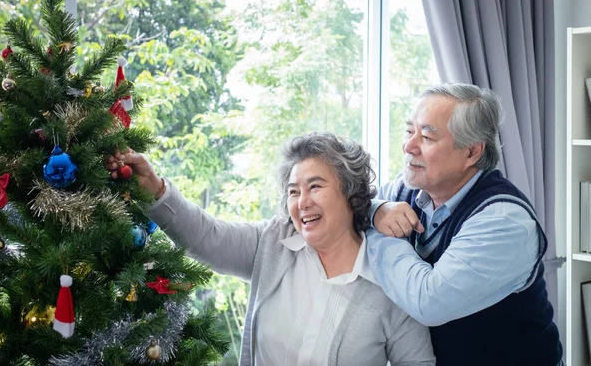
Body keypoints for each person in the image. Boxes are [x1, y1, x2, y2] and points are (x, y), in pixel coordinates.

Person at [106, 132, 435, 366]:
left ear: (350, 193)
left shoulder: (394, 276)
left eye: (315, 187)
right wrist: (154, 187)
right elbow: (206, 237)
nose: (302, 202)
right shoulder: (274, 241)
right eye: (293, 192)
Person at [366, 83, 563, 366]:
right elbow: (357, 207)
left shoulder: (504, 221)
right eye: (409, 131)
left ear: (472, 152)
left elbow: (428, 301)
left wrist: (381, 230)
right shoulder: (408, 190)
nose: (408, 146)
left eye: (427, 137)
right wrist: (378, 210)